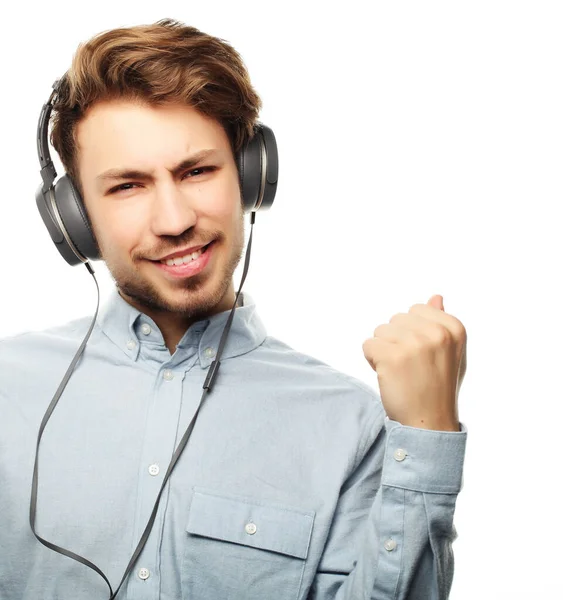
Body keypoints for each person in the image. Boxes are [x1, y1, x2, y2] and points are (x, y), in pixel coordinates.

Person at [0, 18, 468, 600]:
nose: (174, 221)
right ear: (74, 218)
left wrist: (426, 437)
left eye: (196, 171)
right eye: (127, 185)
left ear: (252, 176)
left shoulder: (354, 427)